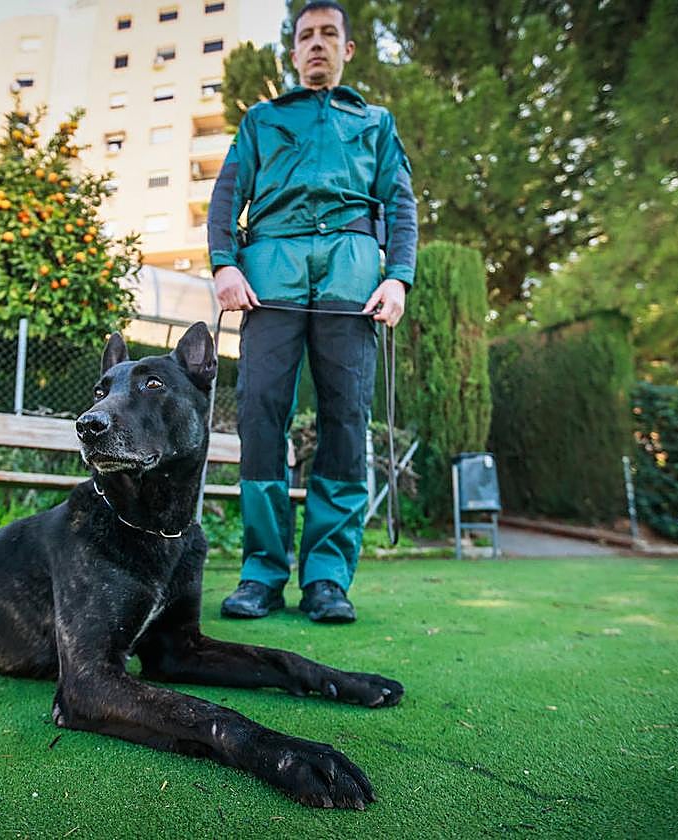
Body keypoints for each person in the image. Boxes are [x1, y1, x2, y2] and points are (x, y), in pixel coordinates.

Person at [209, 1, 418, 623]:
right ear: (293, 51)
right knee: (261, 416)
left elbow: (401, 205)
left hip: (351, 276)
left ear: (348, 49)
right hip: (269, 275)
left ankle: (328, 579)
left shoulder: (375, 122)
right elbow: (227, 195)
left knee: (345, 423)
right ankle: (261, 575)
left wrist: (398, 279)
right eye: (307, 36)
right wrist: (225, 263)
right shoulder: (260, 120)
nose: (318, 44)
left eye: (330, 34)